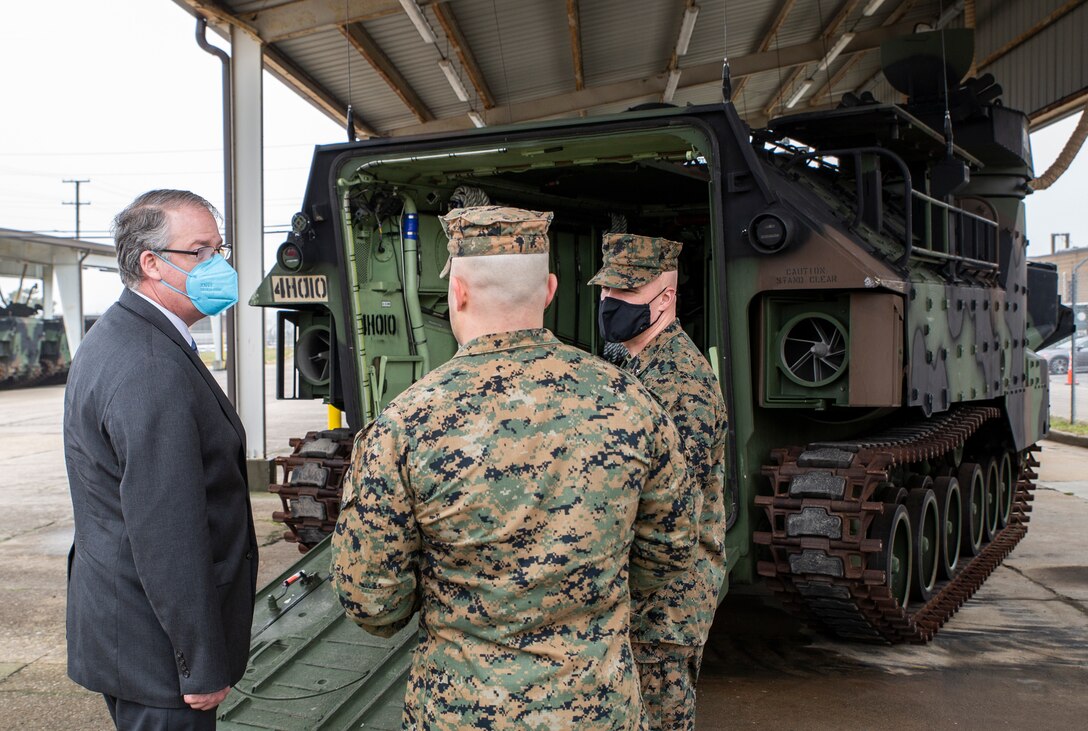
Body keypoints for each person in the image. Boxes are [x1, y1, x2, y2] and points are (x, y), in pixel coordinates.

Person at [332, 206, 696, 730]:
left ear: (457, 292)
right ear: (549, 289)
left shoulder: (404, 424)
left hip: (462, 711)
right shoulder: (631, 403)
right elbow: (669, 554)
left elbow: (373, 602)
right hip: (598, 708)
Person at [63, 189, 258, 730]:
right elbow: (168, 529)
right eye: (201, 251)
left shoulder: (121, 335)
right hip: (159, 652)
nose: (220, 265)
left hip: (131, 630)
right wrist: (198, 663)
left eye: (221, 250)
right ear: (152, 263)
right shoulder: (150, 364)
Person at [589, 233, 729, 731]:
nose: (610, 304)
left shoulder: (679, 381)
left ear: (664, 298)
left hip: (667, 605)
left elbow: (670, 505)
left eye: (625, 294)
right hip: (642, 595)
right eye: (606, 292)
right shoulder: (635, 360)